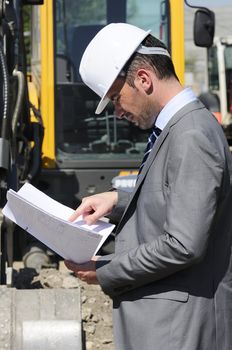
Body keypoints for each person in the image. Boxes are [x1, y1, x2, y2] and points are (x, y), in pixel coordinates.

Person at [65, 23, 232, 350]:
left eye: (116, 97)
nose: (118, 111)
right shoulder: (178, 129)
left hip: (179, 331)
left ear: (143, 79)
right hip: (170, 325)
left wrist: (105, 269)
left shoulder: (191, 135)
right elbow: (177, 192)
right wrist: (118, 199)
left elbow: (183, 244)